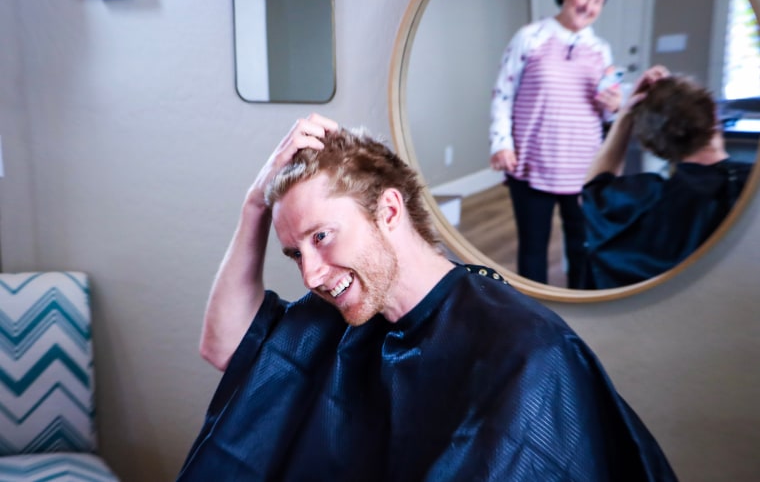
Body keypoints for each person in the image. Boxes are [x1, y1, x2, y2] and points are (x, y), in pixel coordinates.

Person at [176, 114, 676, 481]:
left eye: (322, 236)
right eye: (294, 253)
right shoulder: (341, 315)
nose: (310, 274)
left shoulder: (526, 351)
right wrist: (253, 206)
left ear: (389, 211)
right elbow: (223, 347)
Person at [489, 0, 622, 288]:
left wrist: (614, 105)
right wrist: (501, 142)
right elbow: (503, 93)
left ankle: (584, 308)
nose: (589, 5)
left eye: (598, 1)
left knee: (583, 246)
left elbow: (603, 109)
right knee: (533, 248)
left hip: (585, 167)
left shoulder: (601, 49)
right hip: (533, 162)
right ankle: (536, 315)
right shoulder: (530, 36)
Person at [581, 65, 753, 289]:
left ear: (653, 147)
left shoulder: (644, 202)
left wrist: (624, 117)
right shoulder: (751, 189)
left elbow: (594, 188)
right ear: (714, 116)